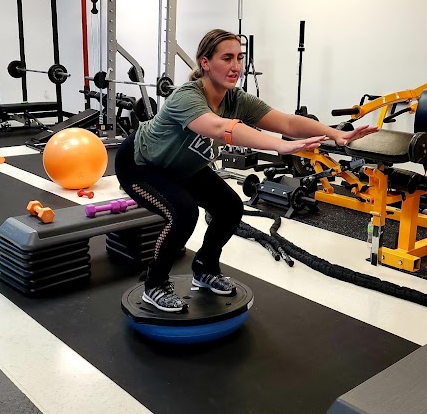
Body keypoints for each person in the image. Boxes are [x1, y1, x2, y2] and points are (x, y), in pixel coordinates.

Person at [115, 29, 378, 313]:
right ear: (205, 63)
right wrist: (280, 146)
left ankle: (205, 268)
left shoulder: (235, 99)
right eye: (227, 58)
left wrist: (335, 134)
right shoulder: (186, 97)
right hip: (141, 164)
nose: (236, 66)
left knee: (229, 207)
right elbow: (221, 128)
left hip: (183, 165)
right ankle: (154, 284)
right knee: (184, 213)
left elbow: (287, 123)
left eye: (239, 58)